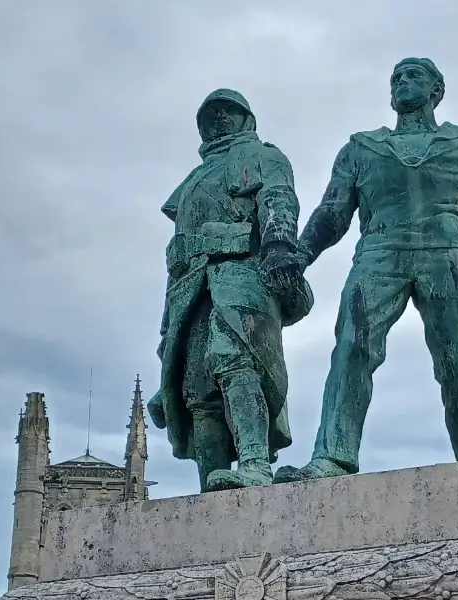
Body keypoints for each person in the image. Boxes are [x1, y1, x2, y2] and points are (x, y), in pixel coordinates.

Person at [267, 58, 458, 482]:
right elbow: (333, 213)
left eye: (413, 76)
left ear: (436, 90)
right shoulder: (361, 147)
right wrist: (300, 255)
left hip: (445, 256)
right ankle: (333, 457)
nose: (402, 82)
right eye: (396, 78)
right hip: (378, 253)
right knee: (352, 347)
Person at [148, 88, 312, 491]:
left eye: (228, 113)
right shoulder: (191, 182)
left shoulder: (264, 156)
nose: (219, 120)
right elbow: (179, 254)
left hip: (241, 276)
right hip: (190, 286)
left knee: (233, 359)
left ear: (246, 119)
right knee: (196, 386)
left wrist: (277, 247)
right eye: (211, 115)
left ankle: (255, 465)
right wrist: (166, 329)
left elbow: (279, 202)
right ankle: (212, 482)